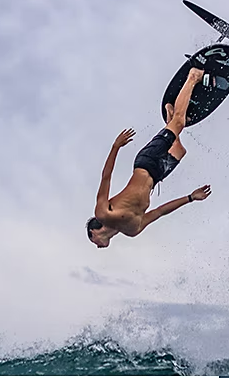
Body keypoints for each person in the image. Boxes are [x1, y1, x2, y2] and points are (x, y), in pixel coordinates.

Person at [87, 67, 211, 248]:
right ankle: (171, 116)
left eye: (94, 242)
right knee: (179, 149)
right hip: (158, 174)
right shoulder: (133, 230)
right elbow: (160, 212)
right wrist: (190, 198)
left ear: (93, 232)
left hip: (146, 163)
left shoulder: (103, 213)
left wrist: (116, 147)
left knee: (179, 123)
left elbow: (106, 177)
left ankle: (193, 76)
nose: (97, 246)